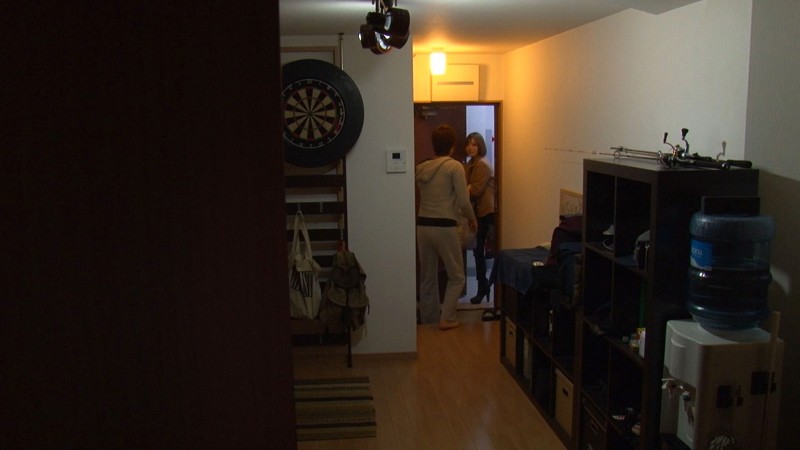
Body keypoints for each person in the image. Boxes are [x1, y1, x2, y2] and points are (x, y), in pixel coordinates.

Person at [416, 124, 477, 330]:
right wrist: (472, 218)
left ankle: (429, 321)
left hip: (423, 226)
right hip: (445, 225)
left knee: (427, 277)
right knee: (457, 276)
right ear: (452, 145)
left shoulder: (421, 168)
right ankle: (447, 317)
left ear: (434, 145)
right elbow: (463, 201)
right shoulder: (454, 167)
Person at [464, 132, 497, 309]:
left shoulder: (482, 165)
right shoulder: (472, 164)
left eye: (474, 144)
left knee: (479, 251)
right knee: (477, 252)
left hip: (486, 213)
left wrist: (466, 187)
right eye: (468, 144)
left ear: (480, 146)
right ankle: (483, 286)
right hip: (479, 211)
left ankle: (483, 287)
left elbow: (475, 190)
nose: (470, 147)